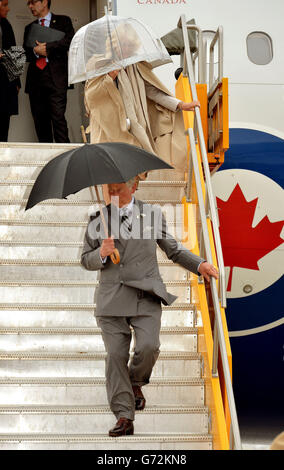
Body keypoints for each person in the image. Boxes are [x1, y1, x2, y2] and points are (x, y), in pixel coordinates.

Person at [81, 178, 218, 437]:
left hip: (146, 296)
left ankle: (135, 382)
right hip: (112, 299)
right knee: (115, 357)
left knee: (149, 347)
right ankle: (124, 416)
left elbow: (173, 250)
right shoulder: (96, 219)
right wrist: (101, 252)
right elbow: (85, 260)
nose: (112, 193)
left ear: (134, 188)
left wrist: (200, 265)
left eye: (118, 189)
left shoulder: (152, 214)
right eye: (108, 189)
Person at [84, 23, 200, 203]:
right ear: (115, 45)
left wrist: (179, 105)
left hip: (132, 129)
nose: (129, 50)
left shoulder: (135, 66)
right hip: (109, 130)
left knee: (131, 178)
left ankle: (123, 216)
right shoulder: (98, 63)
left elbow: (152, 91)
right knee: (112, 178)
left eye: (132, 46)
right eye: (125, 46)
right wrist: (109, 79)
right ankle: (113, 216)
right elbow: (91, 97)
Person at [23, 0, 74, 143]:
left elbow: (70, 41)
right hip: (36, 81)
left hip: (56, 79)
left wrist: (48, 48)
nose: (30, 6)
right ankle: (47, 161)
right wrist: (35, 50)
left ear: (44, 2)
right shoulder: (30, 27)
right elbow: (25, 53)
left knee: (58, 119)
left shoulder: (64, 21)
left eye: (33, 2)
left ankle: (64, 157)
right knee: (40, 123)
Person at [0, 0, 20, 142]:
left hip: (4, 83)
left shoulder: (6, 24)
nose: (8, 9)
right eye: (4, 5)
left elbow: (15, 52)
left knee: (3, 124)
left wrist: (17, 82)